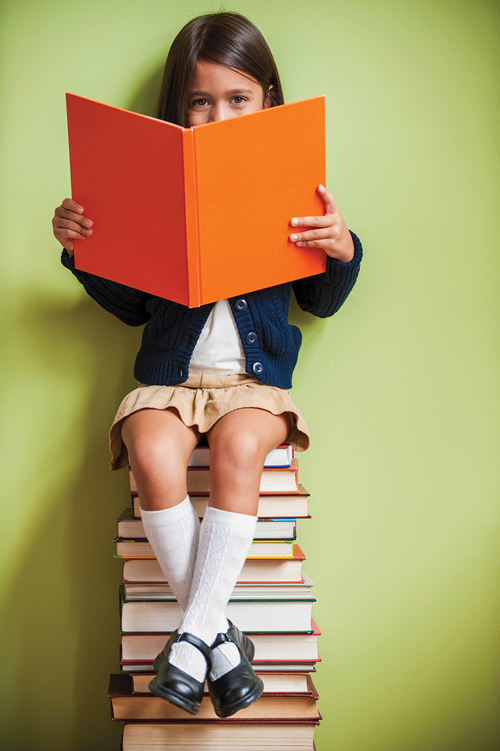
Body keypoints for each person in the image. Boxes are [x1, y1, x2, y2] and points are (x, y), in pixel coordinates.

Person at [52, 11, 362, 719]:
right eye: (201, 101)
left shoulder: (294, 186)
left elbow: (322, 299)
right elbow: (131, 307)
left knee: (243, 443)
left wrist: (342, 247)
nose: (218, 114)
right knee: (149, 447)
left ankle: (190, 633)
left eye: (237, 99)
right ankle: (219, 641)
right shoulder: (154, 186)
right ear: (178, 109)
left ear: (268, 101)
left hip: (254, 385)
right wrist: (83, 251)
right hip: (168, 378)